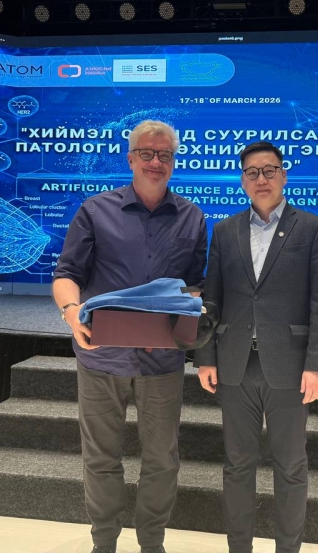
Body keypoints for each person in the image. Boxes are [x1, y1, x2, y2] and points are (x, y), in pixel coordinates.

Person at [53, 120, 207, 553]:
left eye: (165, 155)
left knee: (162, 460)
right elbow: (67, 274)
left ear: (173, 161)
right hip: (101, 355)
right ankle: (103, 544)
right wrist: (72, 314)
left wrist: (186, 316)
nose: (156, 162)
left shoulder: (192, 217)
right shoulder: (95, 210)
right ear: (131, 158)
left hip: (163, 360)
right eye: (147, 153)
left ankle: (151, 544)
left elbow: (193, 285)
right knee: (101, 458)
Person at [194, 141, 318, 553]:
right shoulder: (225, 230)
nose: (261, 178)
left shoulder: (311, 228)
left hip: (290, 366)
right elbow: (212, 300)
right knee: (237, 465)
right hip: (234, 364)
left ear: (284, 175)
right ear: (242, 180)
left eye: (269, 170)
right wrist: (204, 357)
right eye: (252, 172)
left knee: (290, 466)